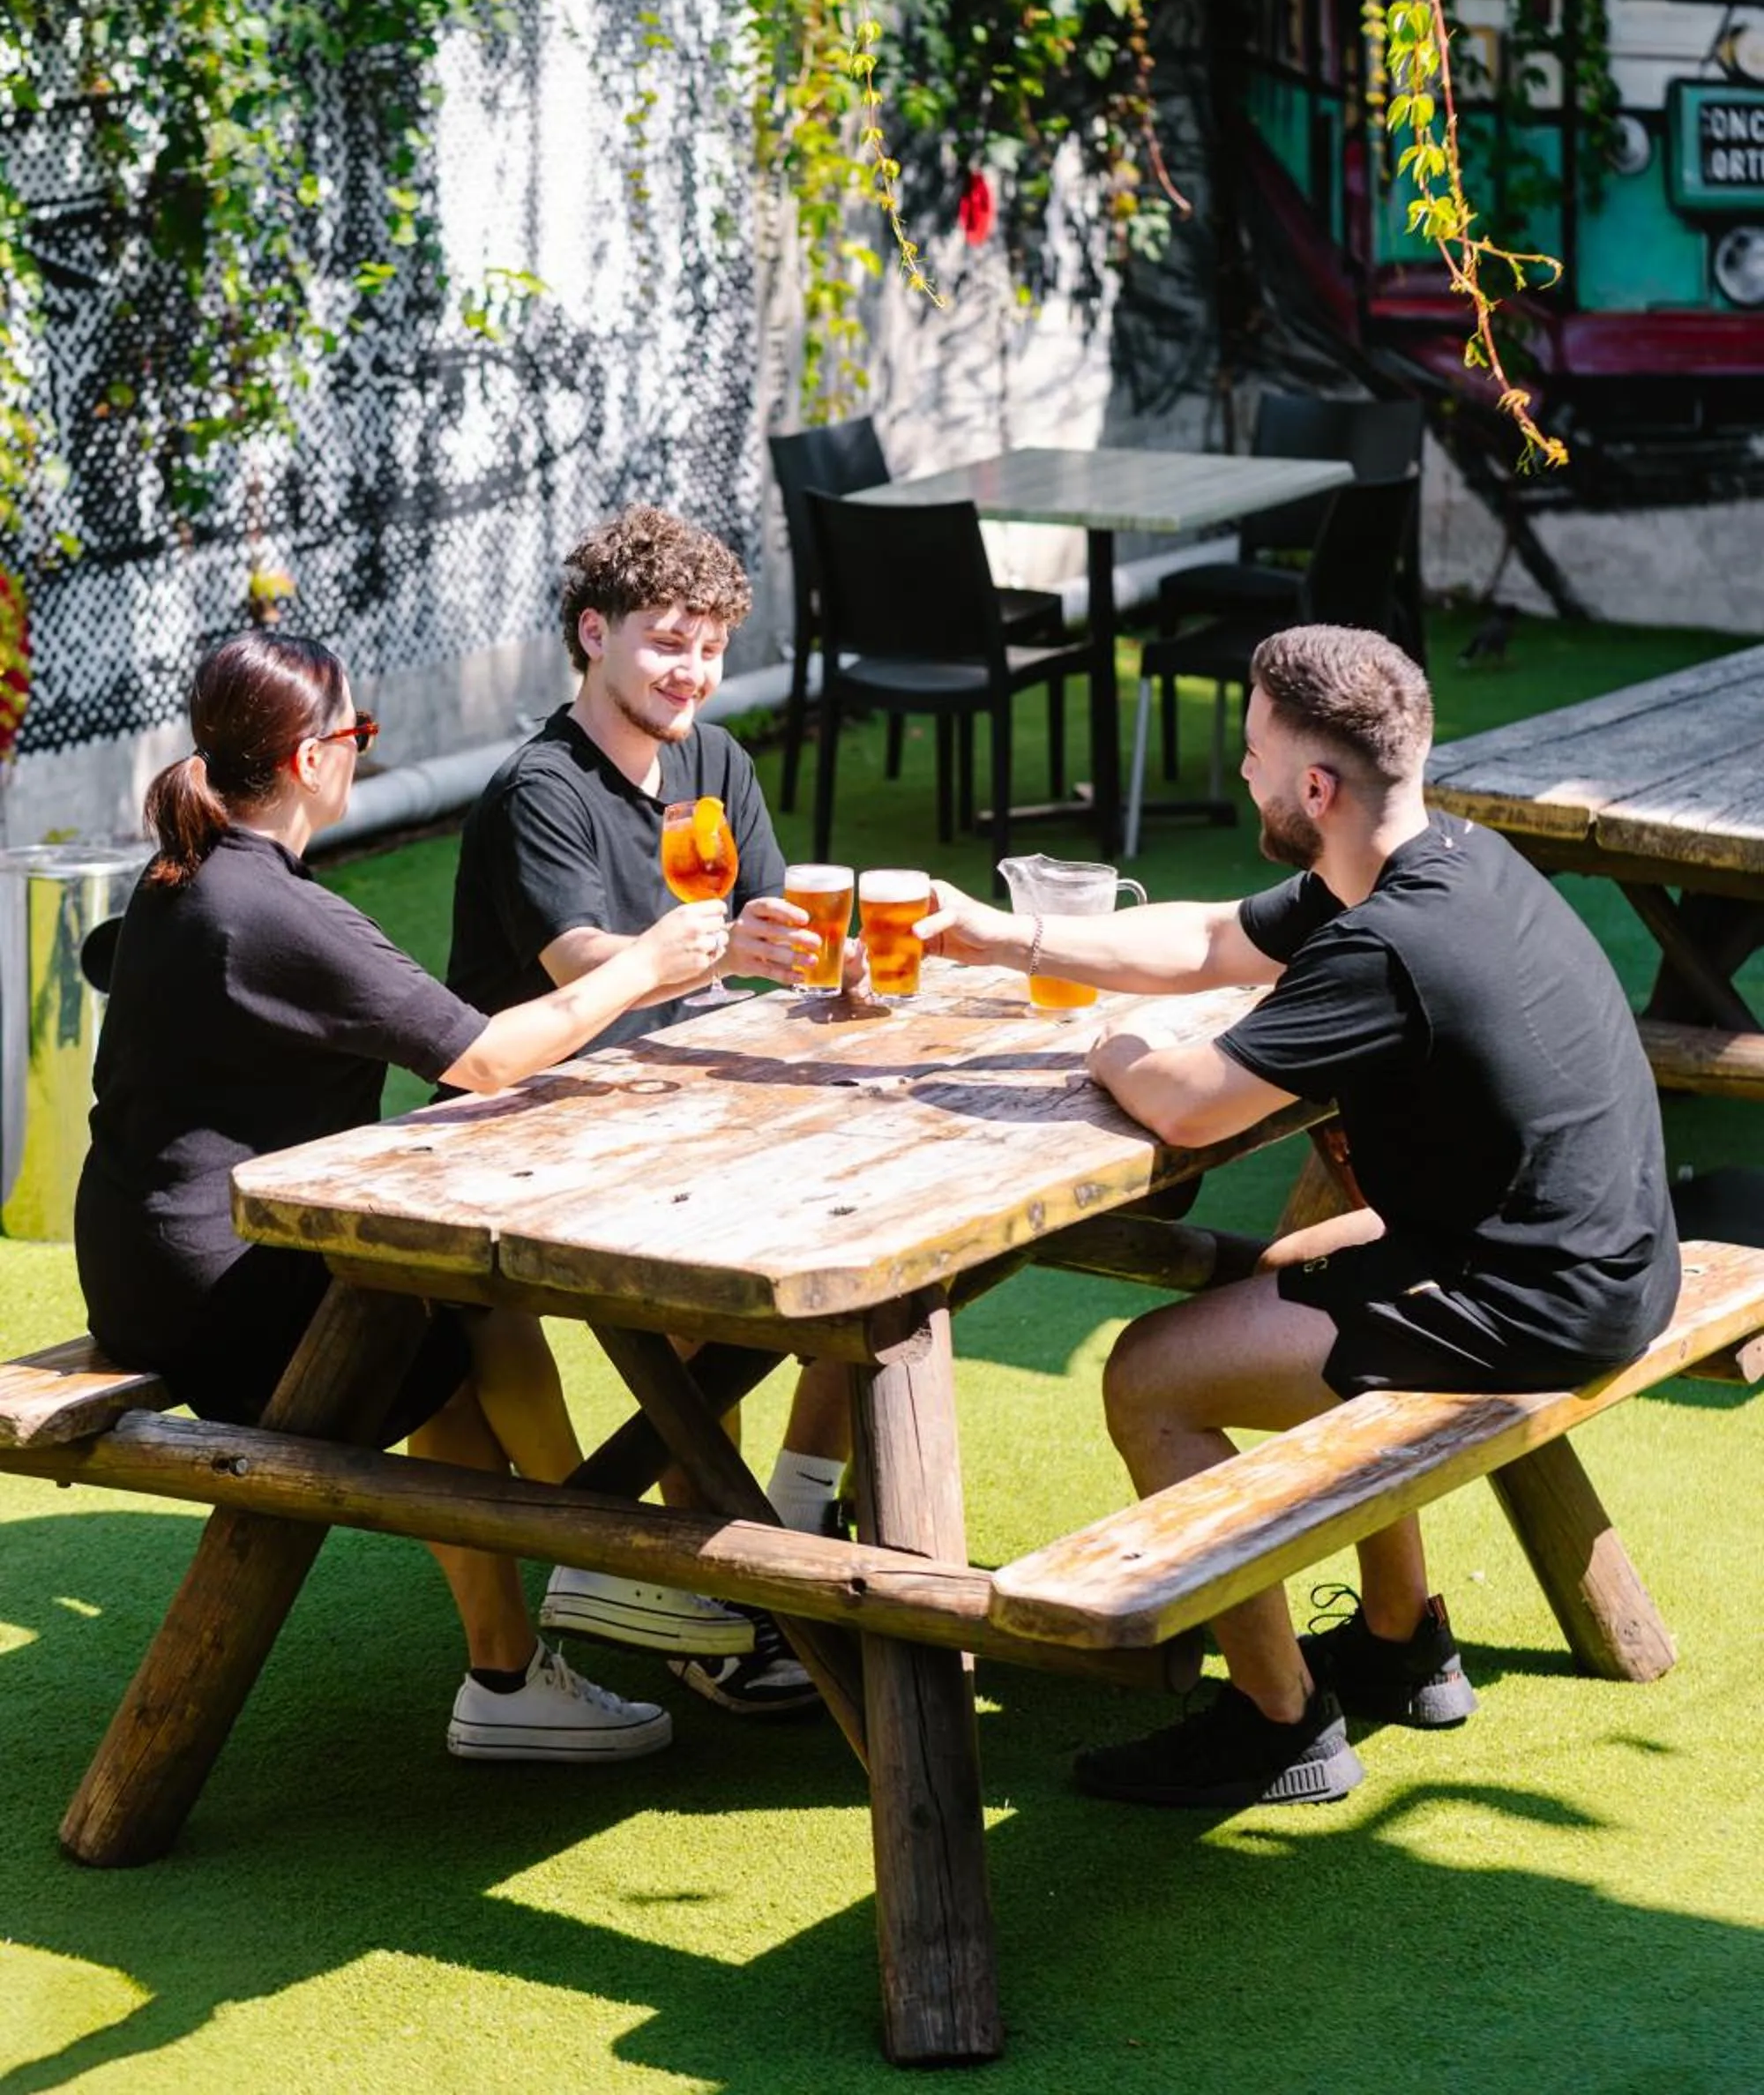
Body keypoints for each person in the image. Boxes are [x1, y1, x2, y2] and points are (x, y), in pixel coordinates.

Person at [922, 623, 1680, 1811]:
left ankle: (1278, 1724)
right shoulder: (1449, 860)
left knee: (1152, 1376)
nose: (1243, 774)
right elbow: (1215, 938)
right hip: (1587, 1250)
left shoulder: (1386, 946)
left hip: (1542, 1300)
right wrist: (1000, 933)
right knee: (1267, 1279)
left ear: (1315, 788)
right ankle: (1399, 1639)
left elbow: (1187, 1110)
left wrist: (1109, 1044)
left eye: (1256, 754)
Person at [77, 631, 729, 1768]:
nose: (361, 757)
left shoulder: (188, 872)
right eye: (358, 736)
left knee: (468, 1311)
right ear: (309, 755)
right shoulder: (276, 909)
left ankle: (575, 1597)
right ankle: (566, 1615)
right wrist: (649, 965)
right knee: (446, 1325)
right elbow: (486, 1056)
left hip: (144, 1258)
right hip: (221, 1293)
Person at [446, 505, 854, 1716]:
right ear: (595, 634)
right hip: (544, 1126)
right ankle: (702, 1607)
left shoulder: (714, 765)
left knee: (887, 1284)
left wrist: (809, 957)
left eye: (711, 646)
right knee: (689, 1320)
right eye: (669, 643)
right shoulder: (540, 788)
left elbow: (775, 933)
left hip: (694, 1099)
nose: (693, 672)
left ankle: (779, 1525)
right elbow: (583, 965)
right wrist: (717, 947)